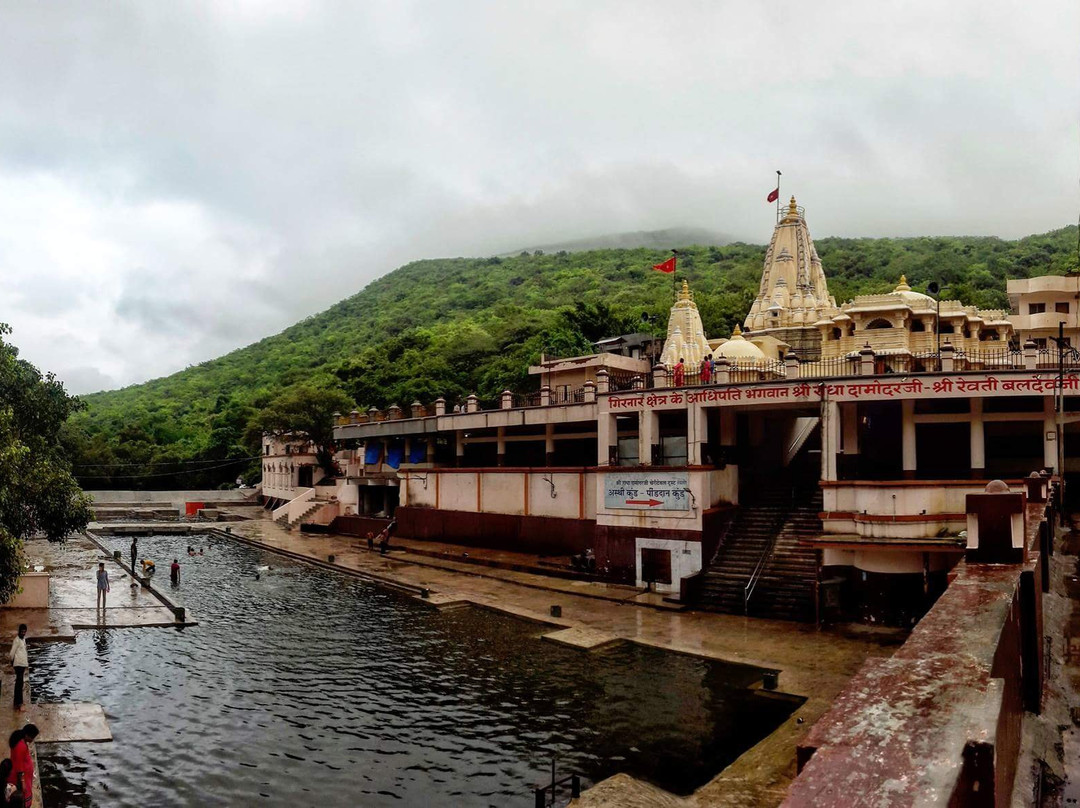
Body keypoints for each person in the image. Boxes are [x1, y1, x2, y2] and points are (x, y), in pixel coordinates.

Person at [8, 725, 37, 808]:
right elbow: (19, 766)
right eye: (32, 737)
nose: (32, 740)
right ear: (27, 735)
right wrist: (23, 781)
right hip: (20, 777)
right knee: (22, 797)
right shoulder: (21, 746)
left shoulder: (20, 741)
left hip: (23, 775)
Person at [9, 626, 27, 711]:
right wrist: (12, 661)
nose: (23, 633)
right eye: (22, 631)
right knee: (19, 683)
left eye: (24, 632)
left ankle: (18, 702)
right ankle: (19, 703)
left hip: (22, 664)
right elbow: (12, 653)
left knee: (20, 683)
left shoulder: (23, 639)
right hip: (18, 664)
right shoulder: (16, 640)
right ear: (19, 631)